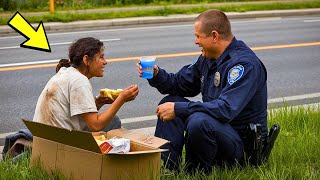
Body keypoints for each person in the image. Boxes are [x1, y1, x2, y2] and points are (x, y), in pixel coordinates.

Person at [137, 10, 268, 174]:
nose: (196, 41)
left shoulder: (244, 65)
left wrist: (179, 109)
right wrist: (156, 74)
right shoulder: (208, 59)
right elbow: (179, 84)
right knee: (169, 102)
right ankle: (167, 170)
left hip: (242, 148)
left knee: (198, 120)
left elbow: (225, 109)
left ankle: (194, 174)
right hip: (219, 133)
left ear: (214, 36)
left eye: (198, 36)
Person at [33, 37, 139, 132]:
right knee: (114, 121)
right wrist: (122, 99)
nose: (105, 62)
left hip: (44, 139)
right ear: (86, 60)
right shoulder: (79, 81)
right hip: (61, 144)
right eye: (101, 57)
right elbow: (95, 125)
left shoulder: (65, 72)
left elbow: (77, 115)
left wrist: (98, 102)